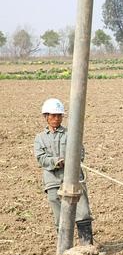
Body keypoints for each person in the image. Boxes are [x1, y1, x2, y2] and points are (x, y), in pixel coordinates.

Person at [34, 98, 94, 245]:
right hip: (53, 182)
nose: (56, 118)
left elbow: (80, 153)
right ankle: (64, 251)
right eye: (53, 115)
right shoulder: (40, 138)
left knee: (83, 213)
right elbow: (41, 158)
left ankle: (87, 249)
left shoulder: (71, 134)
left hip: (74, 180)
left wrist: (70, 161)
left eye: (59, 115)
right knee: (59, 218)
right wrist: (55, 161)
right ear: (46, 117)